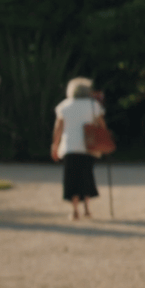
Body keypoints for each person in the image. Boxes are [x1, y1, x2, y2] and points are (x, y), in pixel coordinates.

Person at [49, 77, 105, 220]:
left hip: (70, 146)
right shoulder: (93, 105)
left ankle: (74, 210)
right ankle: (87, 208)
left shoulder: (64, 106)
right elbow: (101, 125)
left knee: (72, 179)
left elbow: (58, 128)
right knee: (86, 177)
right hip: (88, 147)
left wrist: (55, 145)